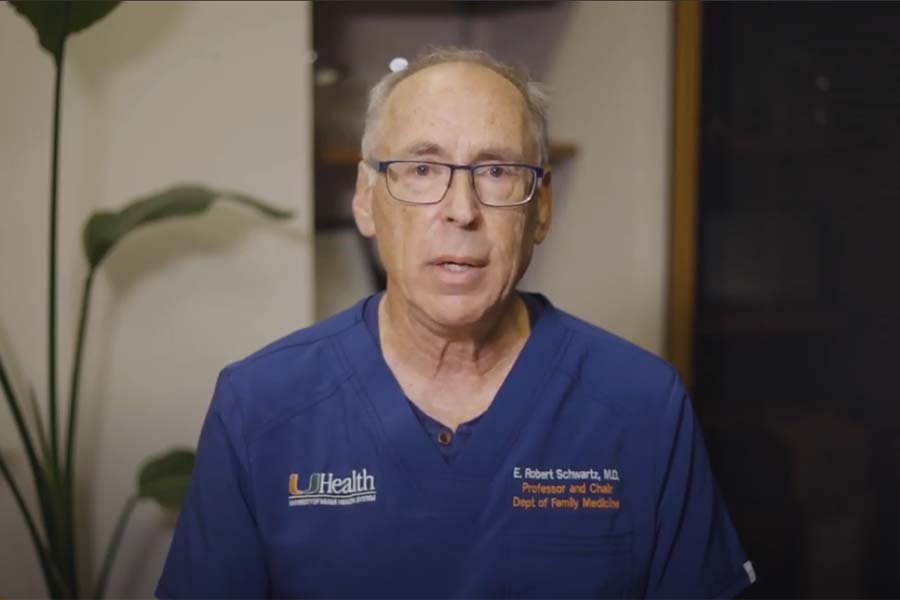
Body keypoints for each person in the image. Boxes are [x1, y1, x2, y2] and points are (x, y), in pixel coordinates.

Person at [157, 47, 754, 598]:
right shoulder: (260, 405)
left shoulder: (642, 406)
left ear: (540, 208)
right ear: (366, 198)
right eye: (422, 169)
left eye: (496, 171)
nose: (461, 211)